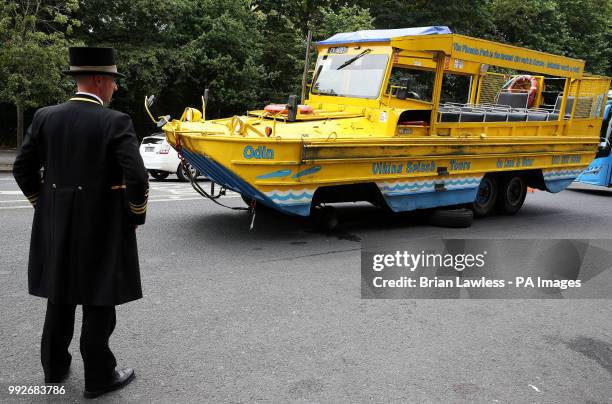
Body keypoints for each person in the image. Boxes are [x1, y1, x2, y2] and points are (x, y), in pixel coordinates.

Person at [12, 47, 149, 399]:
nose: (115, 89)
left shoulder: (45, 116)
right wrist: (135, 214)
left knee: (59, 294)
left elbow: (22, 168)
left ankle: (54, 368)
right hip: (102, 225)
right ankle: (100, 377)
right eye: (114, 82)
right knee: (99, 299)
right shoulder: (115, 121)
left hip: (57, 224)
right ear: (101, 80)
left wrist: (45, 206)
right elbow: (137, 178)